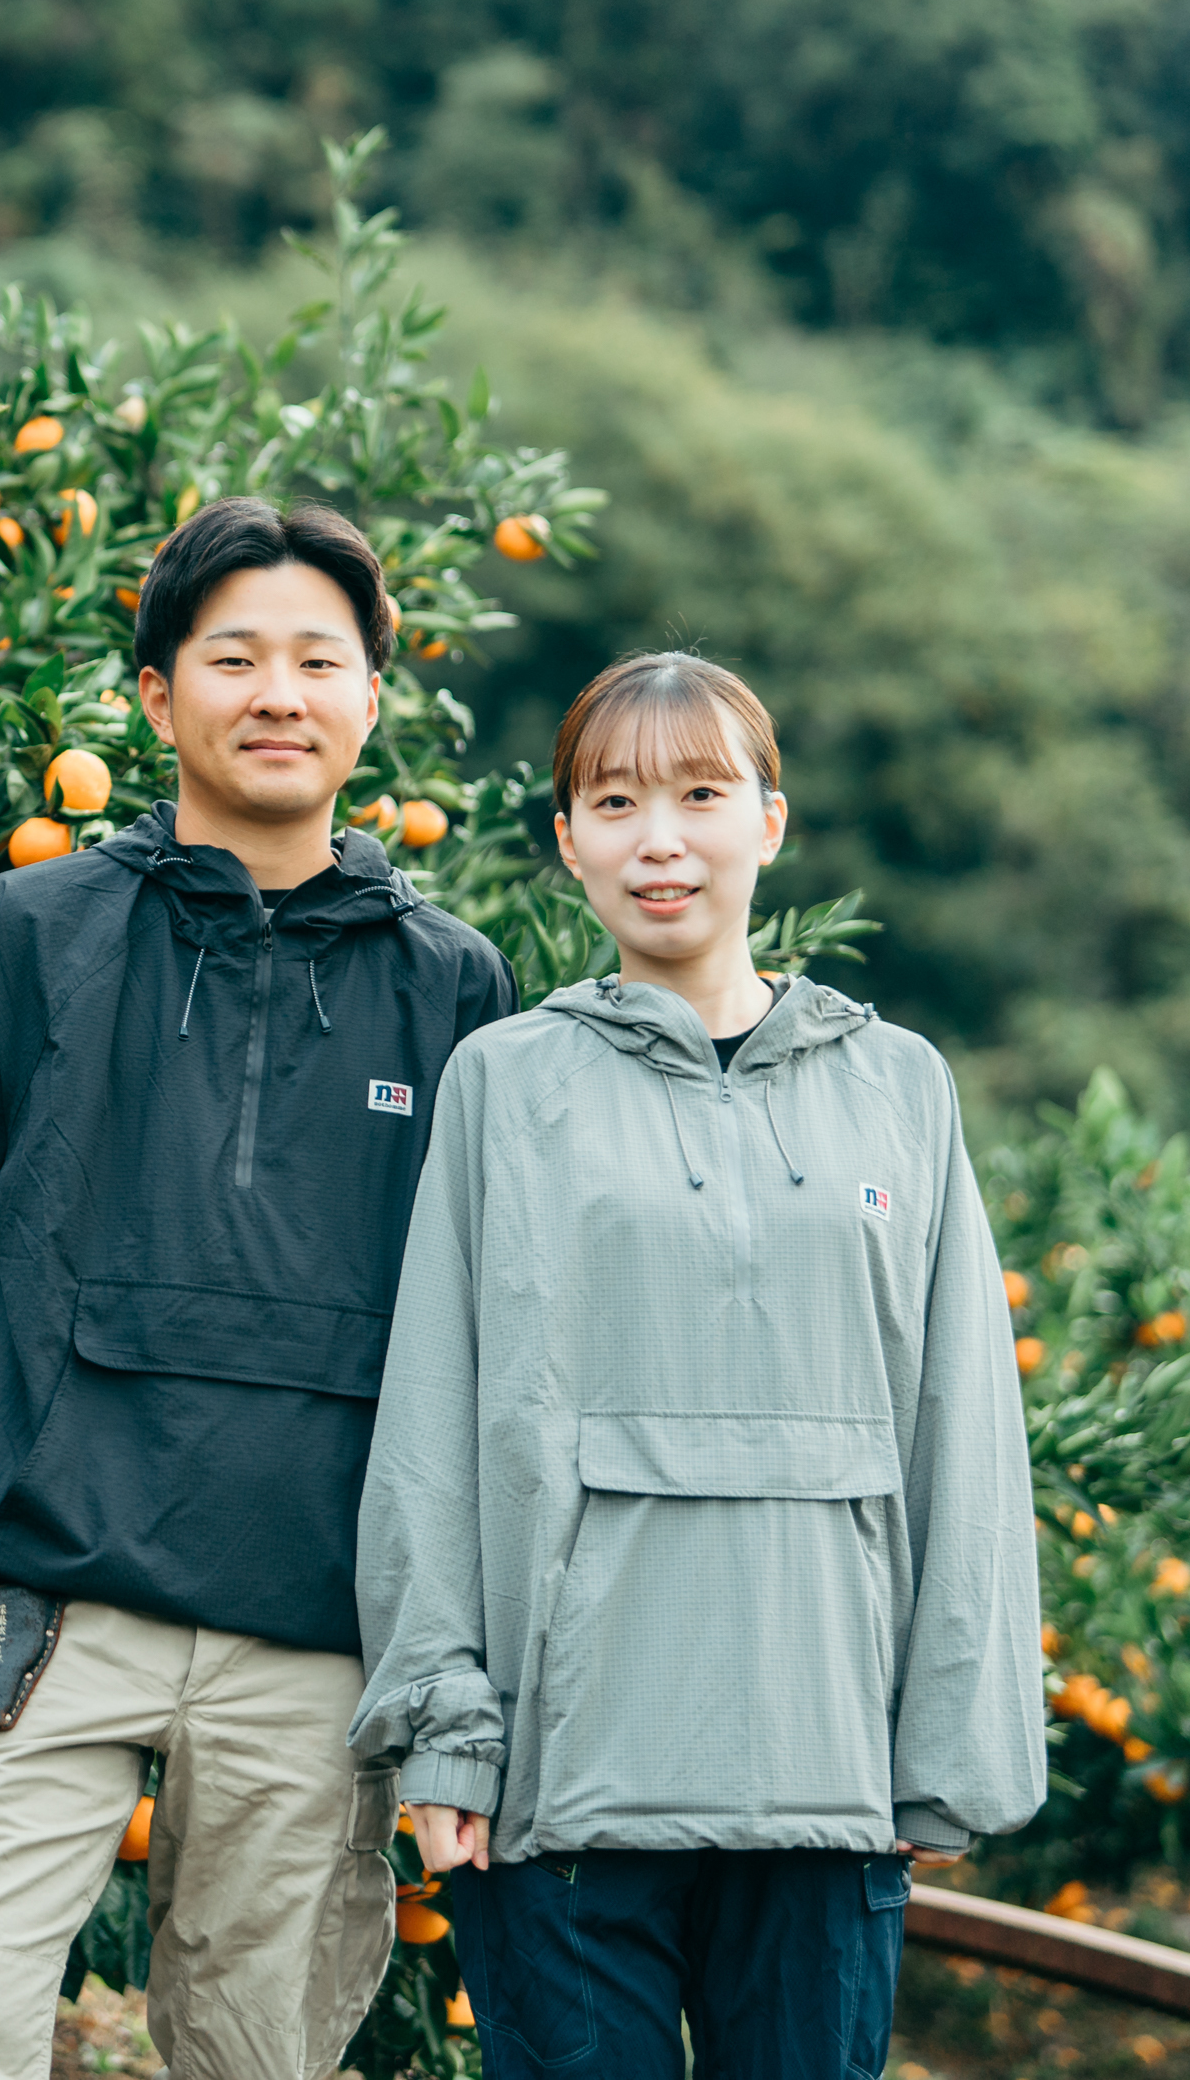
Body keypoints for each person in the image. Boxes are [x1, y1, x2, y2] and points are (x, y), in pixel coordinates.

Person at [0, 495, 519, 2080]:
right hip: (42, 1600)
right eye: (233, 658)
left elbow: (475, 1323)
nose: (277, 692)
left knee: (259, 2062)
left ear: (370, 698)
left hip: (313, 1635)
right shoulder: (34, 931)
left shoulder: (457, 986)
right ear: (158, 696)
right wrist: (6, 1464)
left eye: (316, 660)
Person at [350, 650, 1043, 2080]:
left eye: (701, 794)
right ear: (568, 842)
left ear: (769, 823)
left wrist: (949, 1749)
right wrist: (443, 1734)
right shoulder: (506, 1082)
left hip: (826, 1783)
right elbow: (429, 1421)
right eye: (615, 801)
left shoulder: (899, 1086)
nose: (659, 838)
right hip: (560, 1792)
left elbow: (961, 1429)